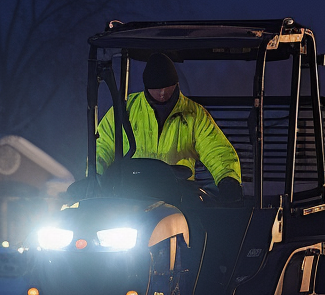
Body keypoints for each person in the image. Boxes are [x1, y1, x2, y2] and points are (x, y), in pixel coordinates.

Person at [95, 52, 243, 202]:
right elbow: (103, 146)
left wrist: (227, 179)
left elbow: (216, 149)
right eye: (157, 88)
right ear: (147, 86)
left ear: (176, 84)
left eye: (167, 86)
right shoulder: (125, 110)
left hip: (179, 195)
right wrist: (95, 177)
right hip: (132, 194)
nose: (162, 93)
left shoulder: (194, 114)